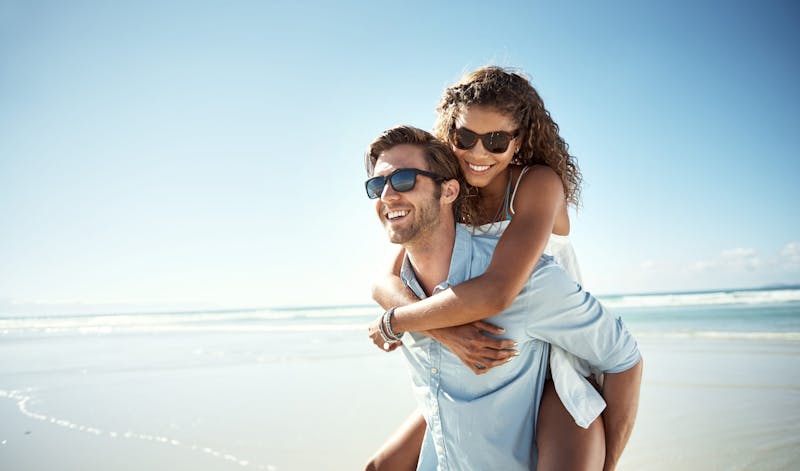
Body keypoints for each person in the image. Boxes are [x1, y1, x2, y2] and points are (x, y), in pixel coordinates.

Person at [366, 67, 642, 470]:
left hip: (556, 347)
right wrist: (442, 333)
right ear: (450, 135)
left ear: (520, 140)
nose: (479, 154)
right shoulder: (451, 188)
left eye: (496, 141)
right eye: (465, 139)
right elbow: (384, 279)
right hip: (485, 338)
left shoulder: (536, 183)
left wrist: (395, 323)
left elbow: (499, 291)